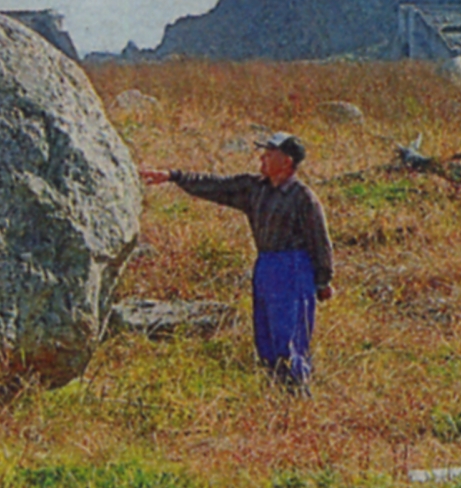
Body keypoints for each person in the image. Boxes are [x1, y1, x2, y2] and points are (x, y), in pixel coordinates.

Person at [140, 132, 334, 389]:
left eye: (269, 154)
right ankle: (274, 392)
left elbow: (320, 241)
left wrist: (323, 281)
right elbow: (216, 186)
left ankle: (297, 393)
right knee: (265, 337)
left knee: (289, 338)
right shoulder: (254, 189)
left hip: (293, 269)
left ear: (287, 162)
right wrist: (173, 176)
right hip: (266, 266)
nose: (262, 158)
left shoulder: (303, 197)